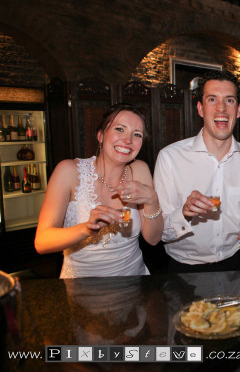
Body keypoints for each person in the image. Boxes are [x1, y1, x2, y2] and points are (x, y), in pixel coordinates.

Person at [35, 103, 163, 278]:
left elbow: (153, 239)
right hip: (82, 286)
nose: (128, 140)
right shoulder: (68, 171)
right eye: (120, 129)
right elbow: (42, 242)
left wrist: (152, 200)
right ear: (101, 135)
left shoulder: (140, 170)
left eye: (137, 134)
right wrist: (87, 229)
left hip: (134, 280)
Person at [153, 70, 240, 273]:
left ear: (239, 110)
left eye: (229, 100)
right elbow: (159, 232)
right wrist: (184, 213)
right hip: (184, 270)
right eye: (212, 99)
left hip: (236, 265)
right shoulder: (170, 158)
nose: (221, 108)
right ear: (200, 109)